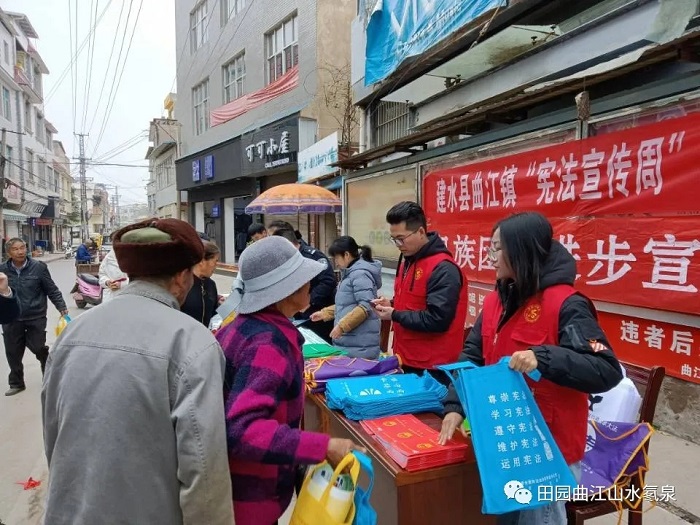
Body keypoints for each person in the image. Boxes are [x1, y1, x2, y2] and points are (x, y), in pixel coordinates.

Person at [42, 219, 234, 525]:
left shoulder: (72, 333)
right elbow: (203, 467)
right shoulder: (192, 341)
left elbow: (53, 433)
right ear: (182, 277)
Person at [439, 212, 623, 525]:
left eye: (497, 248)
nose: (490, 257)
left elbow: (605, 367)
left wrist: (544, 357)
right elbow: (473, 355)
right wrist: (455, 406)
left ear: (521, 251)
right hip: (504, 440)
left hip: (547, 451)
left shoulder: (567, 304)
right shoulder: (496, 300)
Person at [216, 235, 364, 525]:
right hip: (250, 496)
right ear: (286, 289)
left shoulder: (240, 326)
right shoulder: (267, 344)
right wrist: (323, 446)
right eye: (303, 278)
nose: (310, 283)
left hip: (234, 486)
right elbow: (244, 430)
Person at [371, 201, 468, 383]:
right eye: (394, 239)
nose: (398, 244)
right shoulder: (408, 261)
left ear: (421, 232)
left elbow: (438, 319)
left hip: (433, 368)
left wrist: (395, 314)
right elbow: (412, 303)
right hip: (405, 358)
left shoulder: (443, 269)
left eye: (401, 238)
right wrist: (390, 304)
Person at [3, 238, 67, 397]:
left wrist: (62, 307)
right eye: (16, 249)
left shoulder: (38, 267)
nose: (20, 252)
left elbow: (51, 289)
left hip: (35, 315)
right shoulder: (2, 270)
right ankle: (16, 383)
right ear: (8, 253)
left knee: (38, 347)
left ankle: (46, 367)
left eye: (23, 248)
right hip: (11, 317)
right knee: (13, 352)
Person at [311, 236, 382, 358]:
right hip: (351, 342)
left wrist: (341, 327)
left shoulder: (360, 274)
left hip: (360, 345)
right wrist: (325, 313)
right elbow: (348, 304)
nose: (335, 262)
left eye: (336, 258)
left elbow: (366, 307)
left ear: (347, 255)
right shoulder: (350, 273)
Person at [272, 226, 337, 342]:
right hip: (296, 313)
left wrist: (309, 301)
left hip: (317, 312)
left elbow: (328, 281)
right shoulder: (288, 260)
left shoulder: (313, 256)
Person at [181, 241, 221, 327]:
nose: (216, 265)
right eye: (215, 261)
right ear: (202, 261)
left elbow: (214, 314)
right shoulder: (182, 284)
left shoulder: (211, 285)